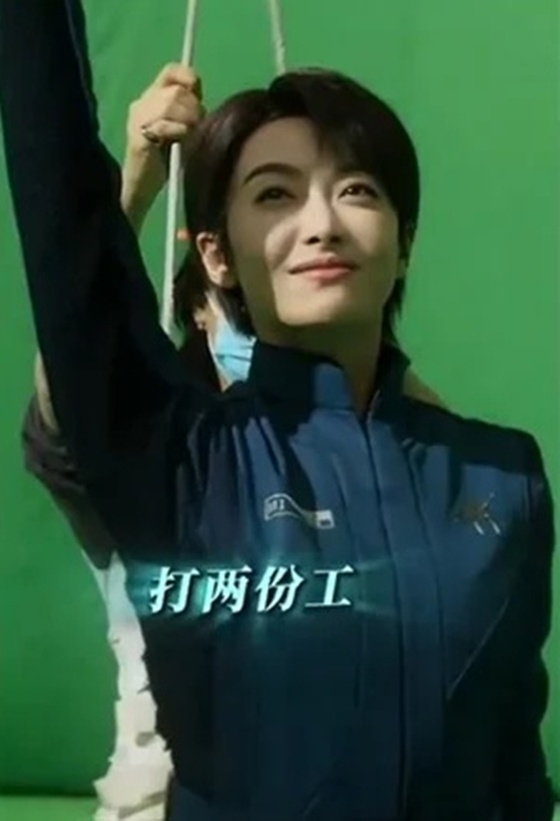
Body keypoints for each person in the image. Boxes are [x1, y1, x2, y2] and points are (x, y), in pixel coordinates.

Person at [0, 1, 555, 819]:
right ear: (218, 257)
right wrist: (136, 169)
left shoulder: (505, 480)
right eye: (275, 195)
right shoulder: (185, 461)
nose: (321, 223)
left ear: (403, 240)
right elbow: (72, 249)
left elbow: (515, 769)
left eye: (356, 189)